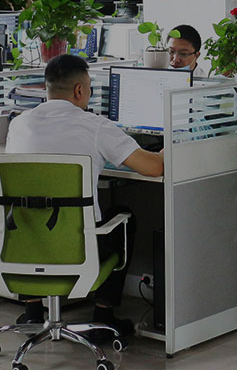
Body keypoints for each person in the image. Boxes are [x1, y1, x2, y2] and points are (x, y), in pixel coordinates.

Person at [6, 55, 164, 335]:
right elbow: (154, 168)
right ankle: (103, 316)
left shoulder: (19, 124)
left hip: (24, 247)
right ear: (79, 90)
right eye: (90, 88)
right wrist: (166, 149)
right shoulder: (95, 126)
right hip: (76, 249)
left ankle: (32, 313)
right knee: (123, 217)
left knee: (32, 214)